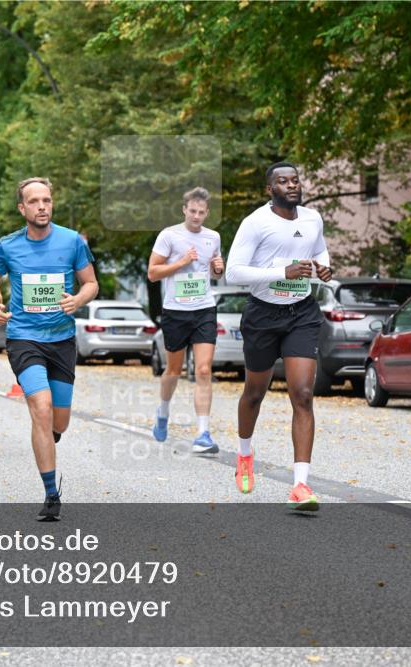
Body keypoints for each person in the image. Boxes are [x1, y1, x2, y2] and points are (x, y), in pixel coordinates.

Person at [0, 178, 98, 521]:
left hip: (61, 340)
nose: (42, 206)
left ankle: (51, 436)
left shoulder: (71, 241)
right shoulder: (7, 246)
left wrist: (77, 298)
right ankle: (51, 494)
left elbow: (91, 282)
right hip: (24, 338)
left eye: (47, 200)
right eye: (34, 201)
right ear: (23, 208)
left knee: (58, 421)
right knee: (41, 408)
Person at [224, 162, 333, 511]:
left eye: (295, 180)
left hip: (301, 312)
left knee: (302, 393)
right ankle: (244, 455)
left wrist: (323, 264)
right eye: (283, 181)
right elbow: (233, 273)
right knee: (255, 393)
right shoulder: (256, 222)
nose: (291, 185)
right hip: (263, 314)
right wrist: (281, 271)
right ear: (269, 189)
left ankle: (300, 485)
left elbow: (318, 249)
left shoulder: (312, 218)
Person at [147, 187, 224, 453]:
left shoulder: (213, 237)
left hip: (204, 308)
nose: (197, 216)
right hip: (175, 312)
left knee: (203, 370)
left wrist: (217, 269)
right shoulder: (169, 235)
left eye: (202, 212)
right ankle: (163, 411)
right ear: (184, 209)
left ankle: (203, 433)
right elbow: (153, 273)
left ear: (207, 213)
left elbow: (213, 273)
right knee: (173, 371)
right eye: (193, 211)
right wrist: (181, 262)